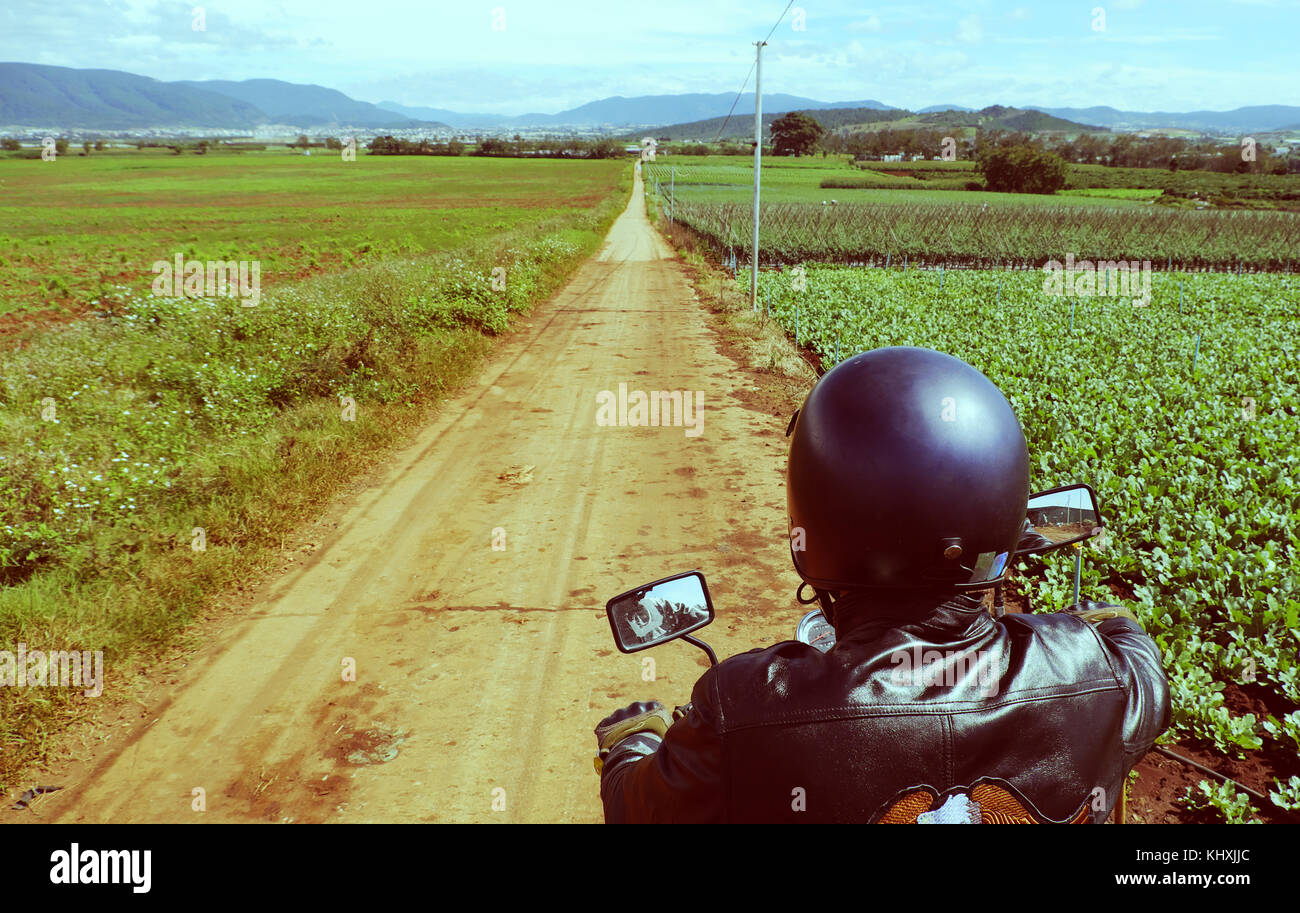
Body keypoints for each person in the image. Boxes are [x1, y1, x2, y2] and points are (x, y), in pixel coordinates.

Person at [595, 347, 1170, 823]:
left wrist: (632, 743)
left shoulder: (741, 710)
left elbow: (633, 808)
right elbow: (1141, 658)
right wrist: (1102, 623)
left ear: (815, 516)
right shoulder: (1103, 675)